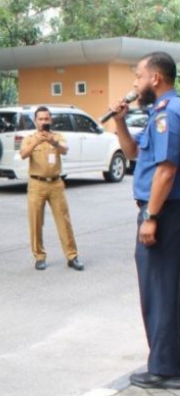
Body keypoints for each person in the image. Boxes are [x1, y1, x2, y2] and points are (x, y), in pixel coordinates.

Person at [110, 51, 180, 389]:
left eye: (138, 76)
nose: (135, 84)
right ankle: (169, 362)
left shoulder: (169, 112)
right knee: (166, 288)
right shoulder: (157, 114)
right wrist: (120, 122)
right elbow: (134, 153)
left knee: (160, 290)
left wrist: (150, 216)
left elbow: (166, 170)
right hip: (164, 211)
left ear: (155, 78)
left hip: (164, 212)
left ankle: (165, 369)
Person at [19, 106, 83, 272]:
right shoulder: (29, 138)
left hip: (56, 184)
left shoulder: (57, 137)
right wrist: (36, 142)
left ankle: (72, 256)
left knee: (64, 221)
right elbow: (23, 154)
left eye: (46, 119)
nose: (43, 122)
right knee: (36, 222)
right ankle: (39, 256)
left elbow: (64, 150)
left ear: (51, 120)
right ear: (35, 121)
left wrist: (53, 142)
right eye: (40, 119)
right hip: (36, 184)